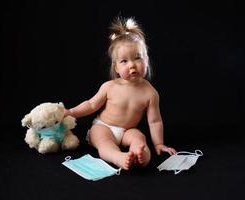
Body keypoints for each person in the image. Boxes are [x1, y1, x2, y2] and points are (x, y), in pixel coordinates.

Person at [64, 17, 176, 170]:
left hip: (127, 131)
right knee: (104, 144)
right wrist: (70, 112)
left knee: (139, 137)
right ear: (116, 67)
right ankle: (118, 157)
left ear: (147, 60)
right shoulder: (110, 86)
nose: (132, 65)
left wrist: (159, 143)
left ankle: (141, 154)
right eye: (124, 61)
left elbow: (155, 121)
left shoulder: (150, 93)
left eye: (137, 58)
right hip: (103, 127)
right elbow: (91, 105)